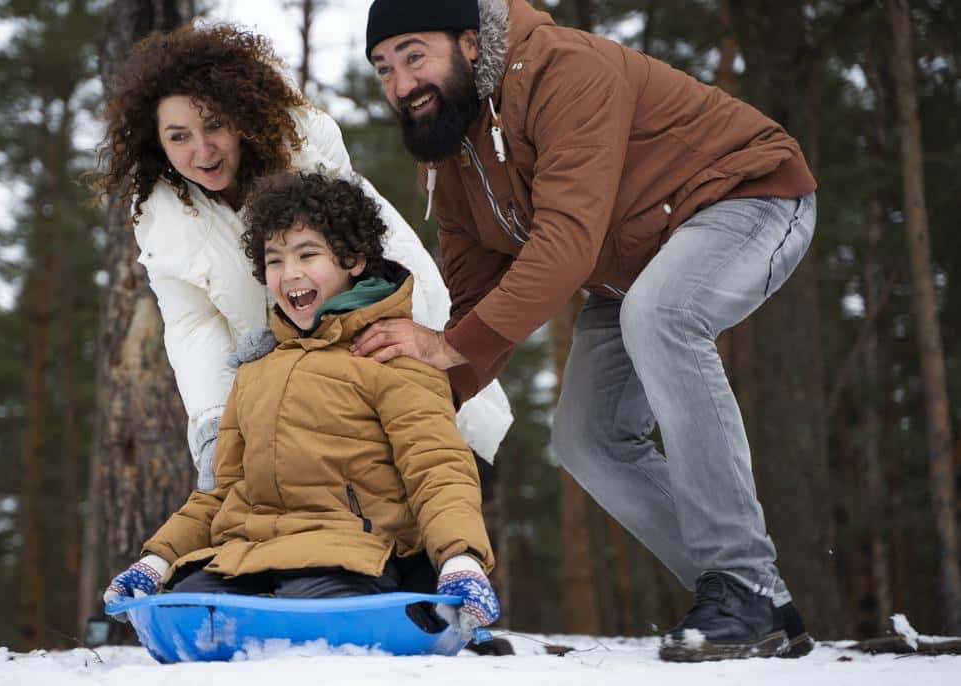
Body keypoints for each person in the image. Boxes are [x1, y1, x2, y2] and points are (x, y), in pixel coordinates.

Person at [355, 0, 817, 662]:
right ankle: (758, 603)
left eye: (413, 57)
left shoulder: (563, 69)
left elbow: (566, 240)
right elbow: (476, 304)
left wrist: (453, 347)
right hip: (627, 271)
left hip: (745, 198)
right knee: (585, 439)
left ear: (467, 43)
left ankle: (738, 579)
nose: (400, 86)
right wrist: (417, 404)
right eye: (382, 68)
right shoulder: (453, 155)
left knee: (662, 316)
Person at [96, 23, 512, 491]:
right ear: (157, 143)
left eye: (213, 124)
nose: (202, 150)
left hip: (380, 337)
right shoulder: (161, 216)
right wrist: (214, 427)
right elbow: (193, 326)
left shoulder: (301, 147)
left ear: (241, 115)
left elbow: (358, 275)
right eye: (179, 137)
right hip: (287, 395)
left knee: (433, 479)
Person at [103, 172, 500, 640]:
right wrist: (158, 558)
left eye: (307, 254)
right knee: (183, 615)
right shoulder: (255, 373)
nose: (289, 272)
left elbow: (438, 469)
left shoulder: (393, 359)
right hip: (244, 558)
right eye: (274, 260)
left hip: (350, 556)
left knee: (300, 629)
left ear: (353, 259)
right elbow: (221, 491)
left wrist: (461, 558)